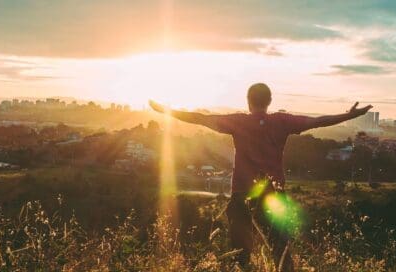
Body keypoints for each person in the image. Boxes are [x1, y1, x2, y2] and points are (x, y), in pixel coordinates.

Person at [150, 83, 372, 271]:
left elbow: (199, 118)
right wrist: (350, 115)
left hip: (241, 194)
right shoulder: (282, 122)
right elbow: (318, 121)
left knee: (240, 254)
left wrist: (166, 111)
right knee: (281, 252)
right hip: (273, 194)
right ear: (270, 101)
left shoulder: (239, 122)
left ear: (248, 101)